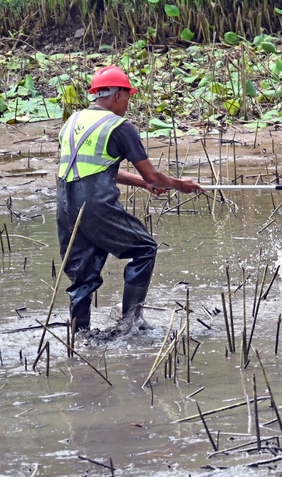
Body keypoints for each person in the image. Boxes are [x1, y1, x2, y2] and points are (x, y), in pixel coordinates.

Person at [56, 66, 202, 333]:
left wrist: (143, 184)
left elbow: (98, 168)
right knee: (144, 249)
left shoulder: (72, 122)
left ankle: (79, 336)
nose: (128, 104)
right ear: (119, 95)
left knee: (81, 275)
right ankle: (131, 323)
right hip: (96, 204)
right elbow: (153, 174)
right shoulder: (119, 126)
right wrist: (180, 185)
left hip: (65, 205)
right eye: (128, 97)